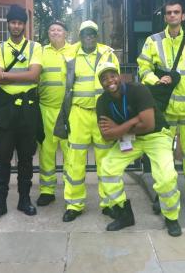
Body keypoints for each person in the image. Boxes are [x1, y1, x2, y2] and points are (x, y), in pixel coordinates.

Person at [96, 62, 182, 237]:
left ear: (119, 76)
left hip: (156, 135)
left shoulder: (138, 90)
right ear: (100, 83)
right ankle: (124, 214)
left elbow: (148, 125)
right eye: (104, 78)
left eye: (112, 75)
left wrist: (119, 128)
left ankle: (171, 217)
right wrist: (134, 121)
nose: (109, 81)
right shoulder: (102, 101)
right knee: (107, 168)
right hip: (130, 139)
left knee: (166, 178)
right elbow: (106, 135)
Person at [137, 1, 185, 210]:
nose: (173, 15)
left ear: (183, 16)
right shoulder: (153, 41)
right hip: (164, 110)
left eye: (177, 12)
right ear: (165, 17)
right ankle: (164, 192)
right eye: (169, 13)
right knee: (163, 156)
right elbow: (143, 68)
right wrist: (155, 81)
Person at [0, 5, 43, 221]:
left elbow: (35, 76)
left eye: (20, 22)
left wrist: (6, 76)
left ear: (24, 25)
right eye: (13, 22)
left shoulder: (35, 47)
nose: (16, 26)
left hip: (28, 108)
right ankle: (0, 202)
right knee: (2, 158)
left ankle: (24, 200)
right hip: (5, 108)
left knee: (26, 157)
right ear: (8, 24)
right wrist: (24, 75)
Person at [61, 20, 120, 222]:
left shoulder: (108, 54)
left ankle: (109, 203)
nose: (89, 37)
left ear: (97, 35)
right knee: (75, 161)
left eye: (93, 34)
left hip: (102, 113)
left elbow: (116, 82)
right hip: (78, 113)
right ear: (80, 36)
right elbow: (65, 85)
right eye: (86, 34)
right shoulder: (69, 55)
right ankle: (74, 204)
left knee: (106, 161)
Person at [36, 21, 72, 206]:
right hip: (46, 109)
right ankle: (47, 190)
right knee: (46, 151)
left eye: (59, 30)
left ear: (65, 33)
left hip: (68, 111)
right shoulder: (40, 52)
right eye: (51, 30)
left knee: (70, 152)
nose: (55, 32)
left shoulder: (74, 51)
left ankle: (70, 190)